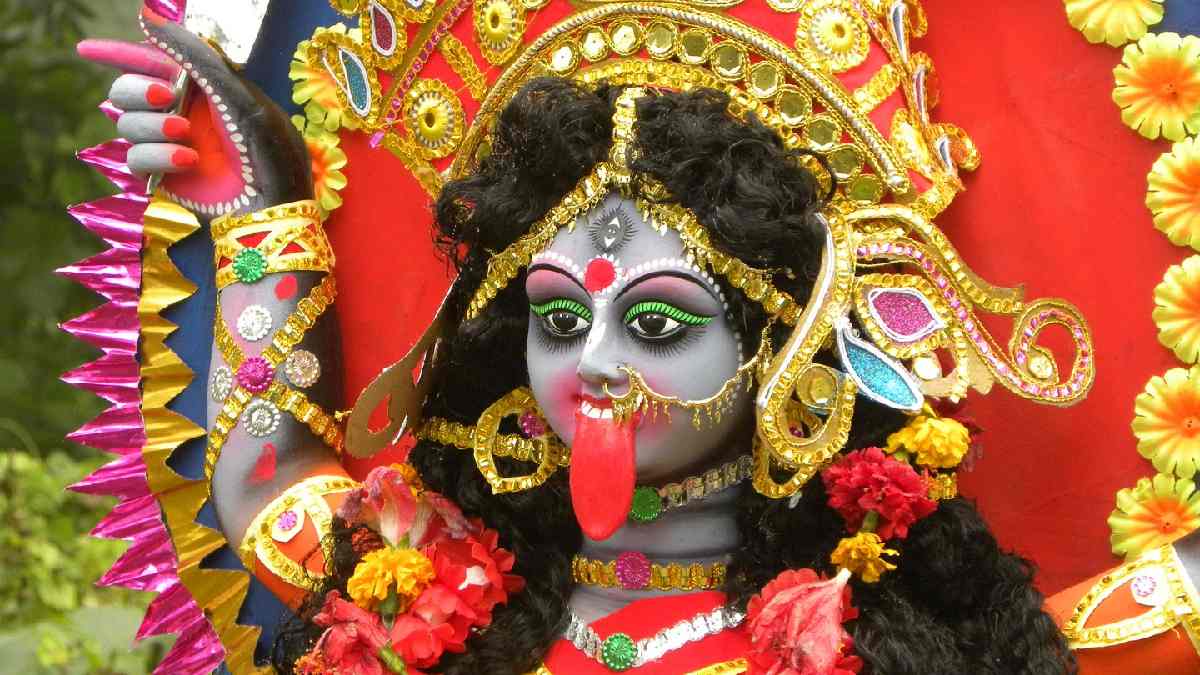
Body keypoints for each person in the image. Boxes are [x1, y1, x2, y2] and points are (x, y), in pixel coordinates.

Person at [80, 1, 1195, 673]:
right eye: (560, 317)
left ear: (781, 344)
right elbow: (268, 484)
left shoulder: (888, 646)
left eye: (657, 323)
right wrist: (261, 203)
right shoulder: (423, 611)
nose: (595, 363)